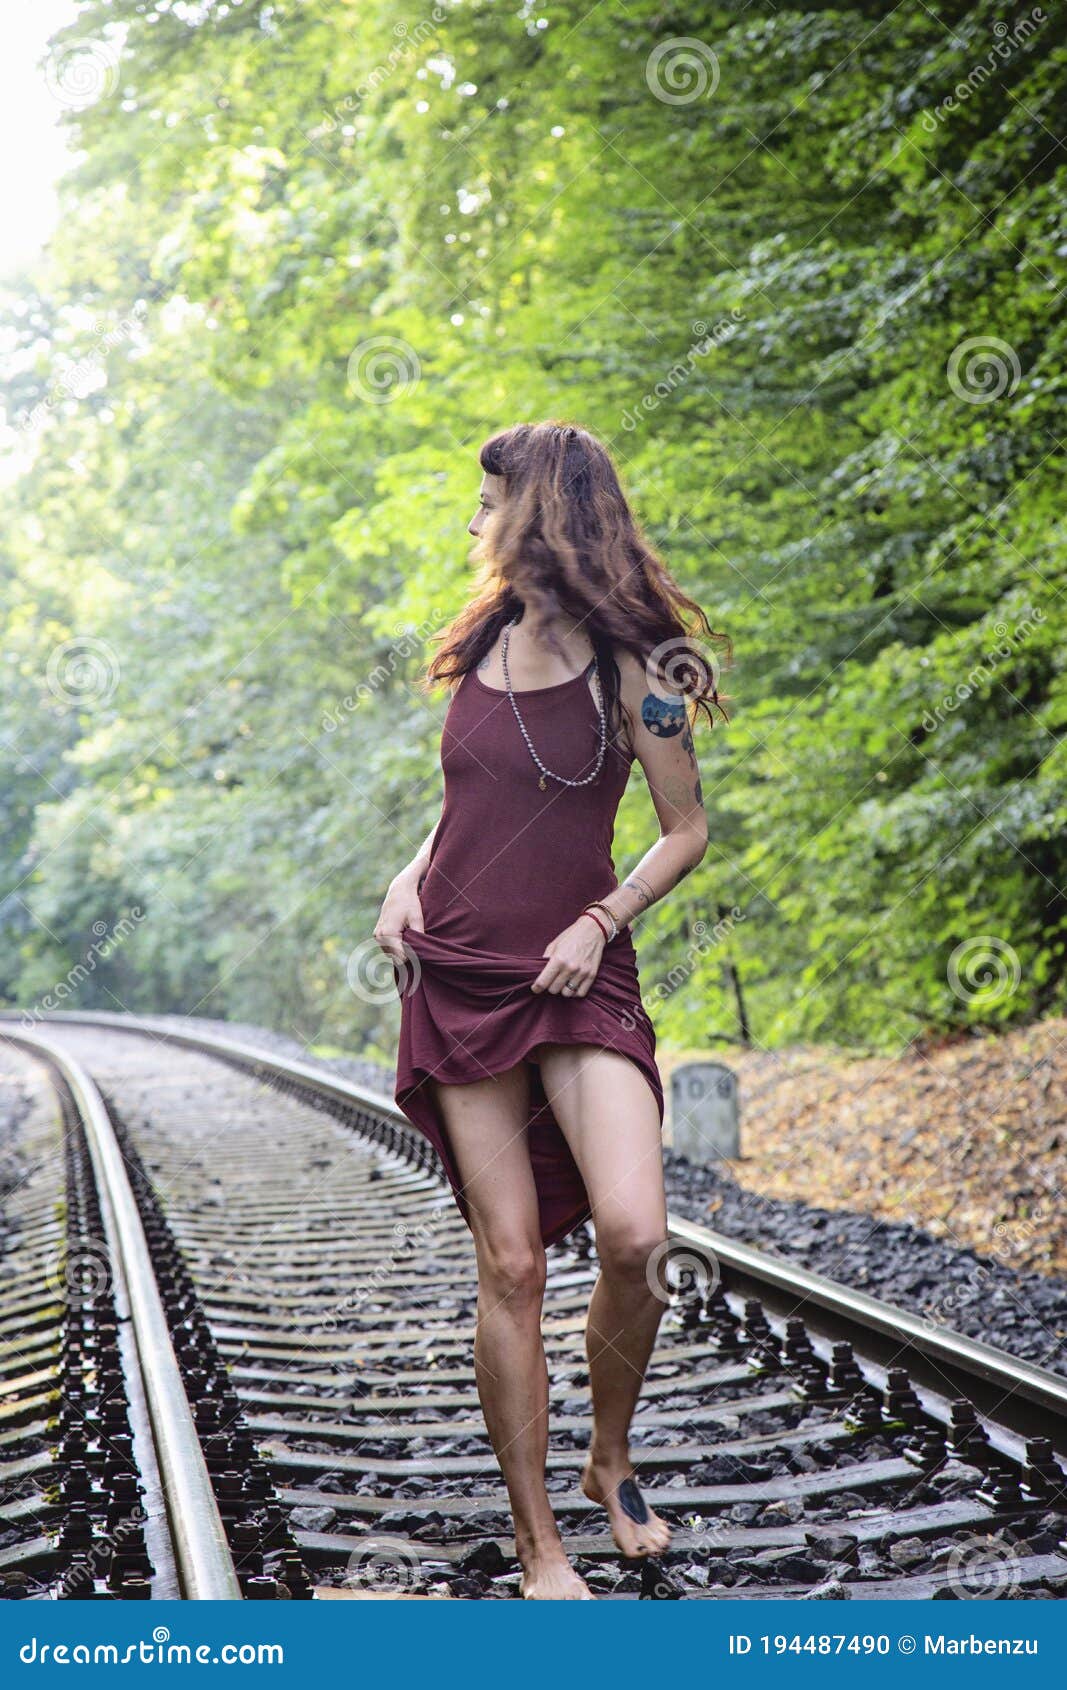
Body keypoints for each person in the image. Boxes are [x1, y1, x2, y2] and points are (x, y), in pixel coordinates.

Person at [374, 421, 728, 1599]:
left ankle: (607, 1456)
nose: (471, 525)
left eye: (487, 505)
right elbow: (465, 797)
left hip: (580, 977)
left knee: (634, 1236)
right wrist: (406, 873)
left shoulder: (642, 668)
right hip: (459, 972)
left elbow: (685, 830)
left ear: (537, 515)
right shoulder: (476, 643)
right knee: (512, 1265)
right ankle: (538, 1547)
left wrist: (599, 920)